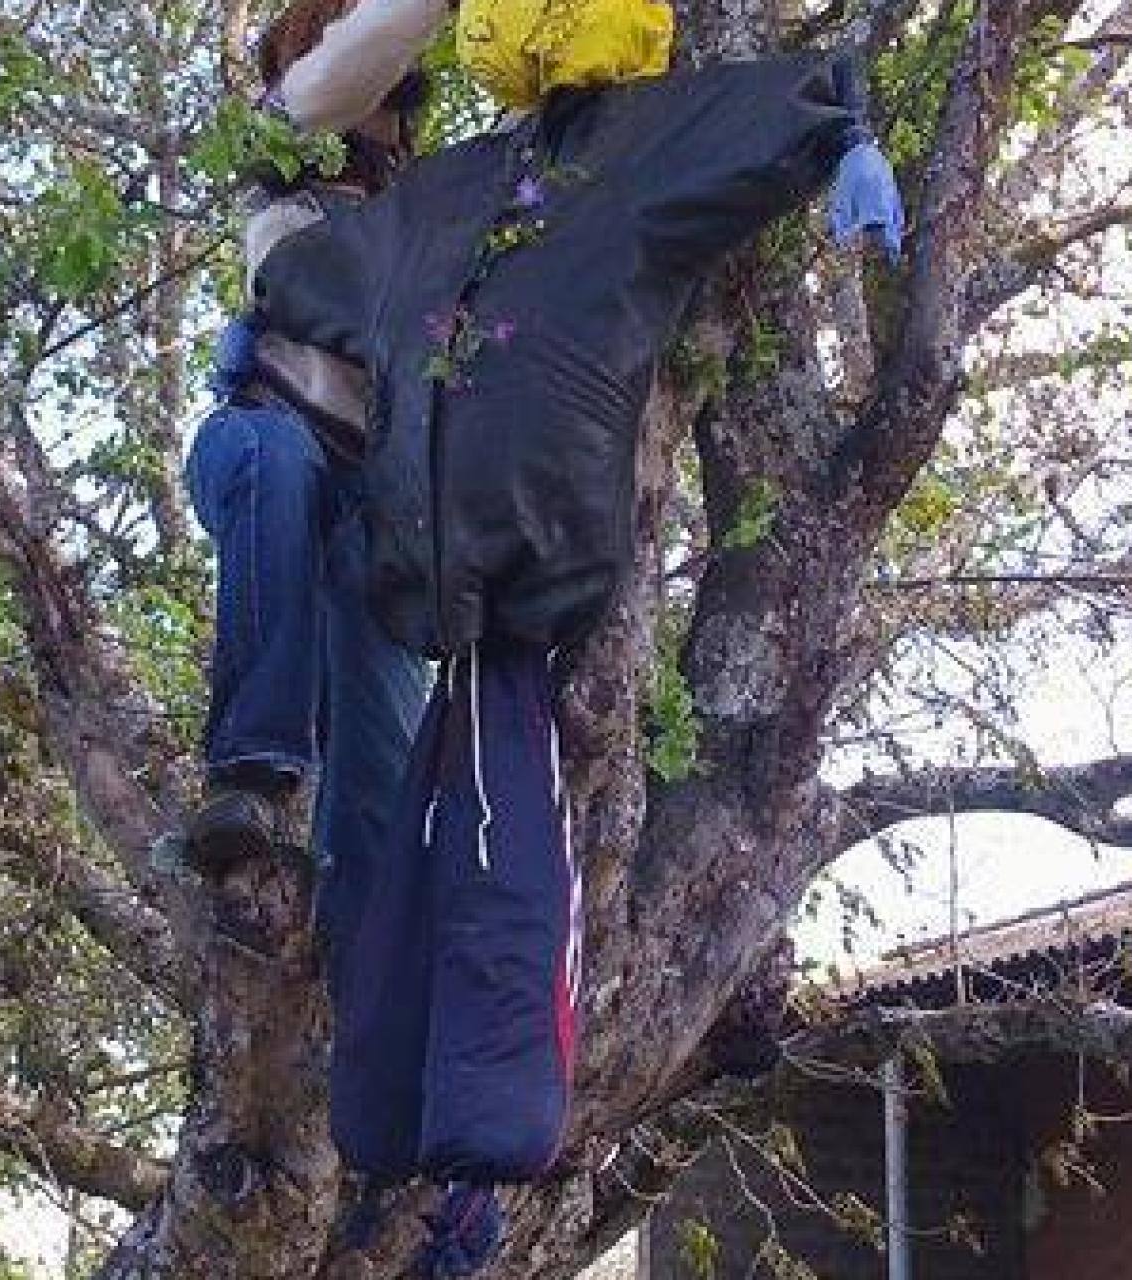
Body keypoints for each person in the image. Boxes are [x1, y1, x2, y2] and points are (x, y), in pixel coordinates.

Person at [250, 10, 904, 1278]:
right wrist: (272, 227)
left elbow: (773, 111)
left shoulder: (628, 155)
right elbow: (299, 257)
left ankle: (467, 1164)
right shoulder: (436, 201)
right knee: (399, 875)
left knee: (499, 870)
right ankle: (402, 1140)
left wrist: (842, 137)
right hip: (429, 592)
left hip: (528, 589)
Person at [182, 0, 442, 974]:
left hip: (371, 501)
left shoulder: (426, 213)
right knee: (277, 464)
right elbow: (341, 72)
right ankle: (251, 769)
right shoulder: (278, 153)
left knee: (384, 758)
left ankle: (363, 978)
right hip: (267, 439)